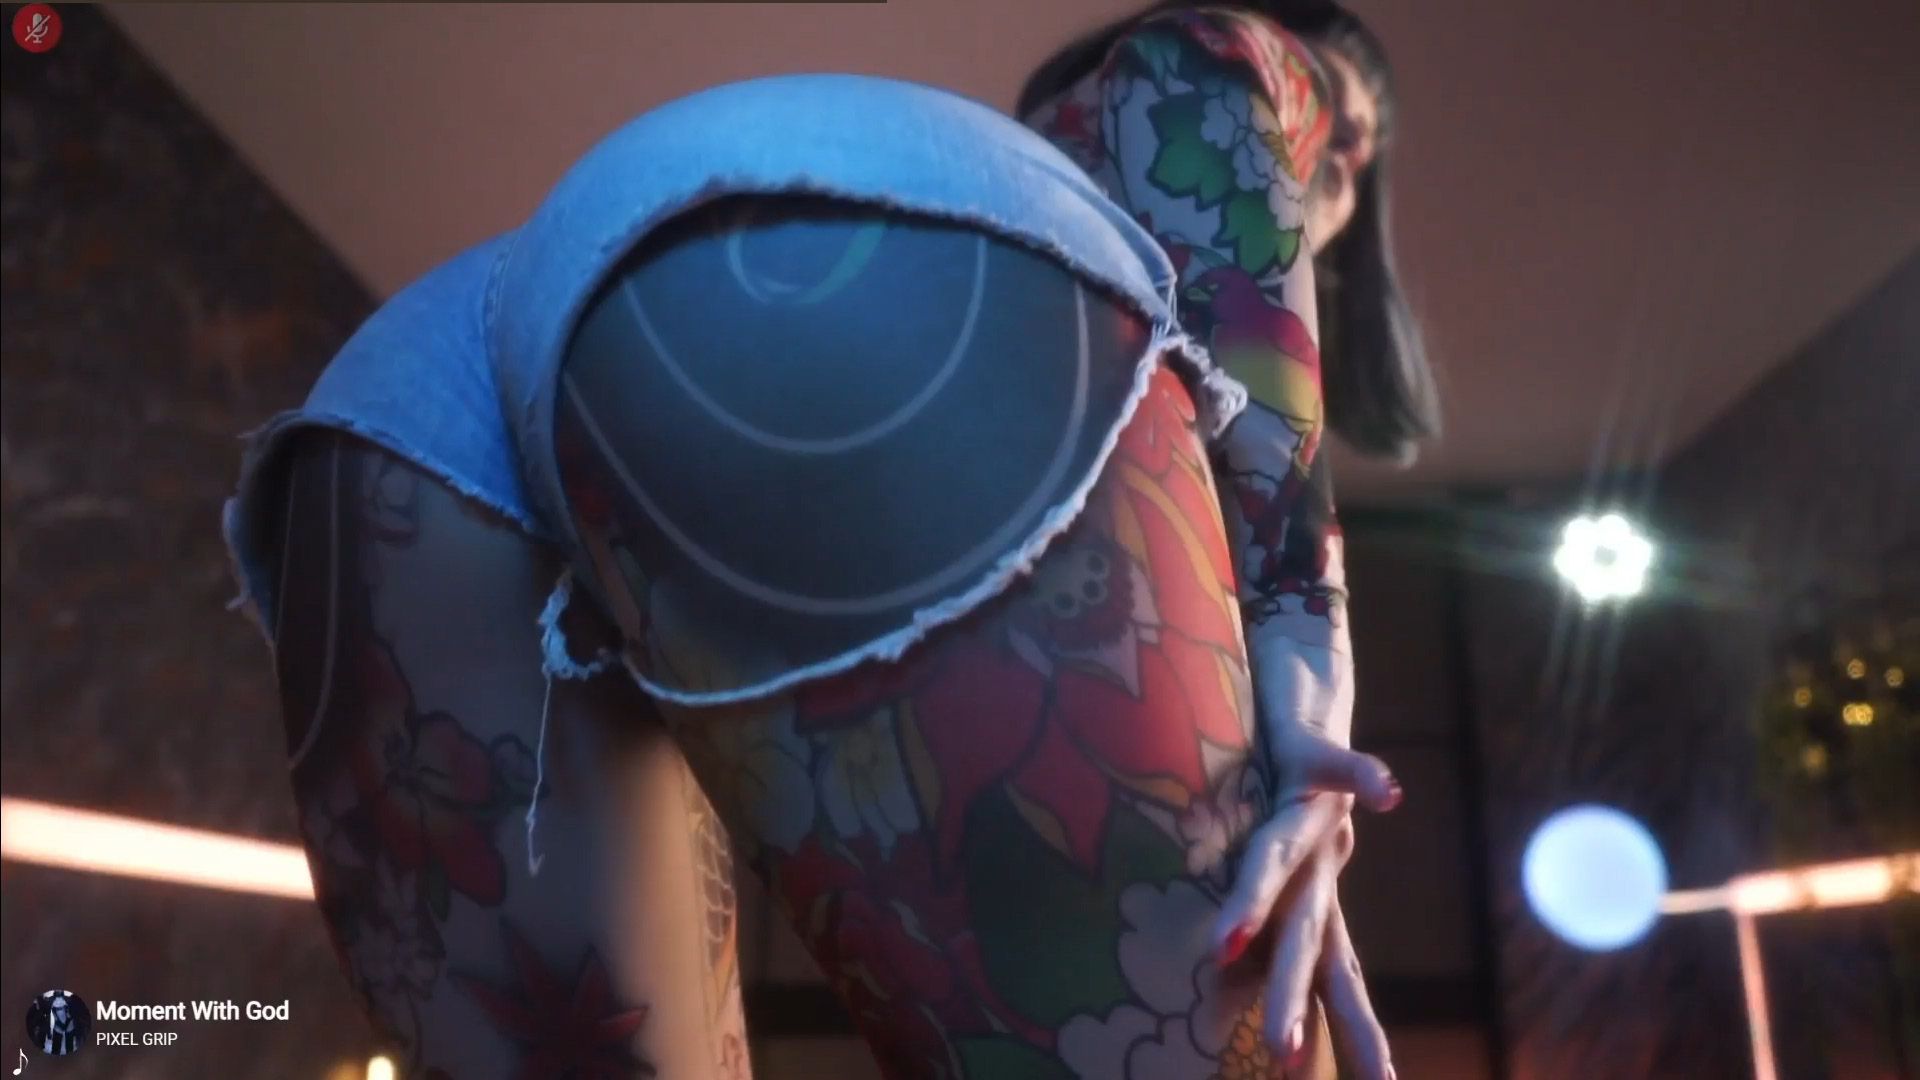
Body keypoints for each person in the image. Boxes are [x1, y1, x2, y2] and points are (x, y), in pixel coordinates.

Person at [231, 59, 1424, 1080]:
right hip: (813, 262)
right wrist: (1301, 638)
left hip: (412, 390)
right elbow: (1200, 57)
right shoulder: (1286, 112)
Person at [1019, 1, 1441, 1073]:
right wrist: (1308, 686)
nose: (1339, 150)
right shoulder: (1214, 64)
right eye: (1323, 111)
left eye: (1355, 151)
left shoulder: (1126, 370)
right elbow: (1198, 55)